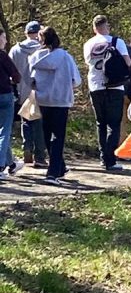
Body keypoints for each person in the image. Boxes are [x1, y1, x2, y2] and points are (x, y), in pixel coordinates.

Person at [29, 27, 81, 186]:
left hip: (43, 99)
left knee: (46, 134)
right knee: (58, 136)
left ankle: (60, 167)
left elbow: (30, 79)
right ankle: (52, 173)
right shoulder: (65, 57)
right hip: (61, 99)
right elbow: (77, 80)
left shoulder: (35, 57)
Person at [83, 15, 131, 172]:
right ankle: (110, 160)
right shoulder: (117, 42)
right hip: (114, 86)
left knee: (101, 123)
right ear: (107, 26)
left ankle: (103, 157)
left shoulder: (88, 44)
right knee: (114, 124)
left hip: (95, 86)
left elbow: (88, 63)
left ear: (94, 28)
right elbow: (128, 62)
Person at [10, 21, 47, 171]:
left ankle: (27, 148)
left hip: (21, 91)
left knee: (26, 121)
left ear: (26, 33)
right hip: (39, 91)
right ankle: (40, 156)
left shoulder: (15, 50)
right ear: (39, 33)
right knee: (39, 124)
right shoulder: (43, 48)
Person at [0, 30, 24, 175]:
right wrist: (12, 80)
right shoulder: (2, 56)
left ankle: (11, 163)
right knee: (4, 132)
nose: (6, 41)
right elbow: (16, 76)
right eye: (3, 38)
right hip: (4, 95)